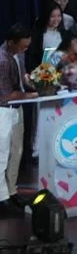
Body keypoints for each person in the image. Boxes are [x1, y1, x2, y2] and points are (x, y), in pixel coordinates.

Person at [0, 24, 36, 215]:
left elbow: (22, 77)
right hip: (3, 111)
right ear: (11, 43)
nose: (25, 50)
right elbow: (6, 95)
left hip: (17, 109)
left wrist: (35, 81)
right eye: (23, 46)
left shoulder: (18, 53)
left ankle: (11, 191)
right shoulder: (2, 60)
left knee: (17, 151)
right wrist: (32, 95)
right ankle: (1, 198)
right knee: (2, 154)